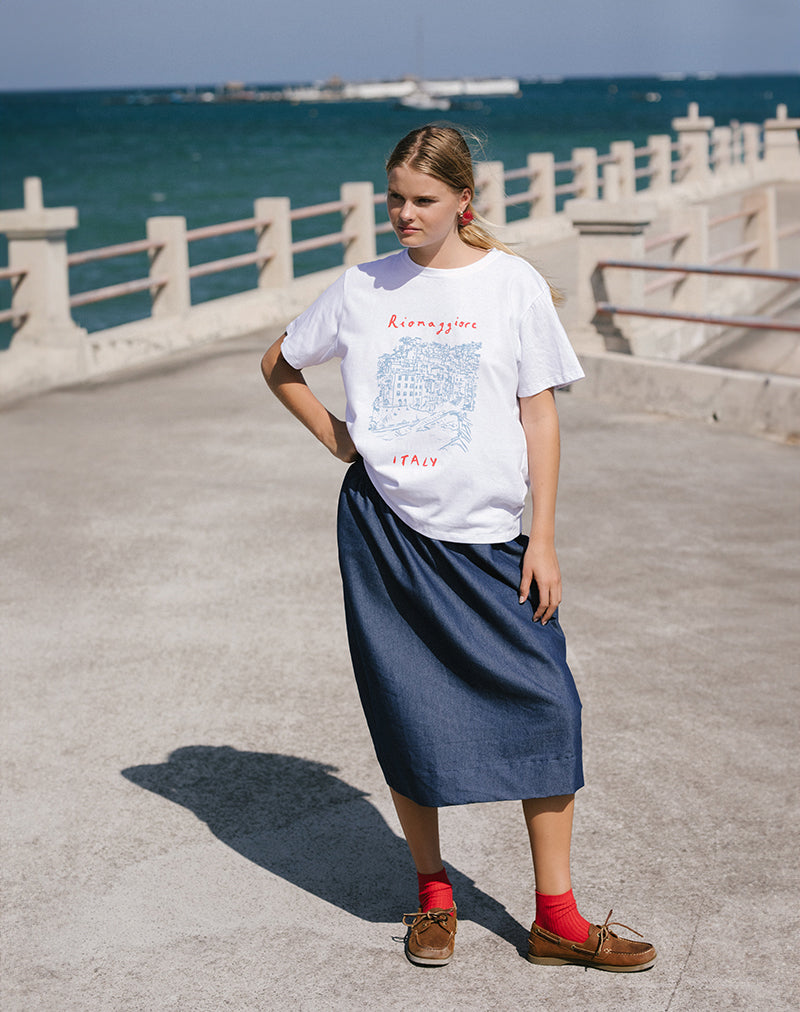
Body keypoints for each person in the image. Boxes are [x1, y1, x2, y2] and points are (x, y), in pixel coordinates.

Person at [261, 124, 656, 972]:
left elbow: (539, 415)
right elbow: (280, 364)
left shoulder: (512, 285)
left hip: (491, 539)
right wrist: (338, 437)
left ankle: (556, 919)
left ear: (463, 201)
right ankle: (433, 898)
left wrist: (543, 537)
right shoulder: (361, 287)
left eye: (423, 200)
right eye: (394, 198)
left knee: (550, 705)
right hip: (386, 535)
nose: (404, 214)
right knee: (407, 711)